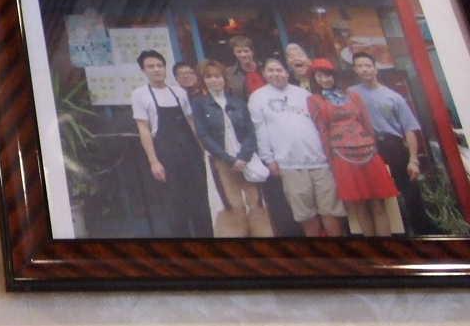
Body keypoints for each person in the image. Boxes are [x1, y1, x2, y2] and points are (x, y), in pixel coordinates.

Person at [248, 55, 345, 237]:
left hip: (320, 161)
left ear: (287, 73)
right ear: (264, 74)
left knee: (330, 211)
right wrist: (268, 159)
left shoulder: (304, 94)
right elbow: (260, 130)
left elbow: (321, 124)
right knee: (305, 215)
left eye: (279, 70)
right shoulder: (257, 97)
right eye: (271, 70)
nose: (276, 74)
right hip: (289, 165)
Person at [307, 58, 398, 236]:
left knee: (379, 205)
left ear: (335, 76)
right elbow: (322, 131)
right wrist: (330, 160)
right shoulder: (314, 100)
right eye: (320, 76)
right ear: (314, 79)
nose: (325, 79)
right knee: (360, 206)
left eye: (328, 75)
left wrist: (373, 147)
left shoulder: (352, 95)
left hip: (368, 152)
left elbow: (366, 122)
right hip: (342, 156)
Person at [130, 49, 211, 237]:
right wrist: (153, 162)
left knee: (200, 202)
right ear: (143, 70)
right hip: (166, 154)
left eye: (159, 65)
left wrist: (203, 150)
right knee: (175, 206)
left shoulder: (179, 92)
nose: (156, 69)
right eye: (151, 66)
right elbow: (144, 129)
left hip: (191, 152)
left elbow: (191, 122)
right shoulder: (140, 94)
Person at [348, 52, 427, 235]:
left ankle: (418, 233)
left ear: (375, 69)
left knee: (409, 193)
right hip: (366, 148)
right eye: (360, 66)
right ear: (355, 70)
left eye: (368, 65)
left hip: (393, 147)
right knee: (377, 196)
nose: (364, 69)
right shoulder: (350, 94)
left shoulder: (393, 97)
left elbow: (409, 129)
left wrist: (413, 160)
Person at [191, 59, 271, 237]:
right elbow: (203, 135)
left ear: (224, 79)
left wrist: (244, 156)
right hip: (221, 161)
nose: (214, 80)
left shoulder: (238, 102)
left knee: (256, 203)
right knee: (231, 204)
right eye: (209, 77)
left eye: (217, 76)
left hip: (246, 159)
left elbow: (251, 132)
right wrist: (229, 159)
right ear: (203, 80)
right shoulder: (199, 104)